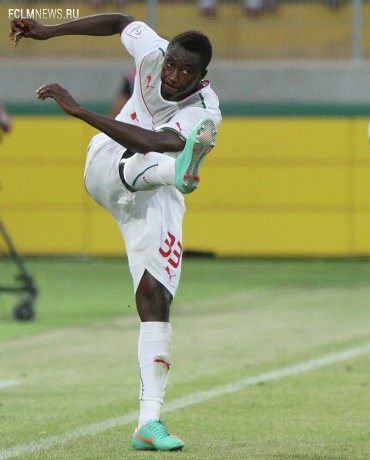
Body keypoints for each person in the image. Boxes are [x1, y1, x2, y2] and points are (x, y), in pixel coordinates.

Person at [10, 13, 221, 451]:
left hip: (156, 183)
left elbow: (160, 141)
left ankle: (149, 421)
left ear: (202, 77)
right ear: (167, 55)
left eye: (186, 72)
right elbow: (120, 21)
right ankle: (181, 174)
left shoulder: (206, 109)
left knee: (156, 299)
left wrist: (80, 110)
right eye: (172, 65)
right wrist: (48, 32)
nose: (174, 75)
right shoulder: (152, 50)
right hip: (107, 165)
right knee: (157, 163)